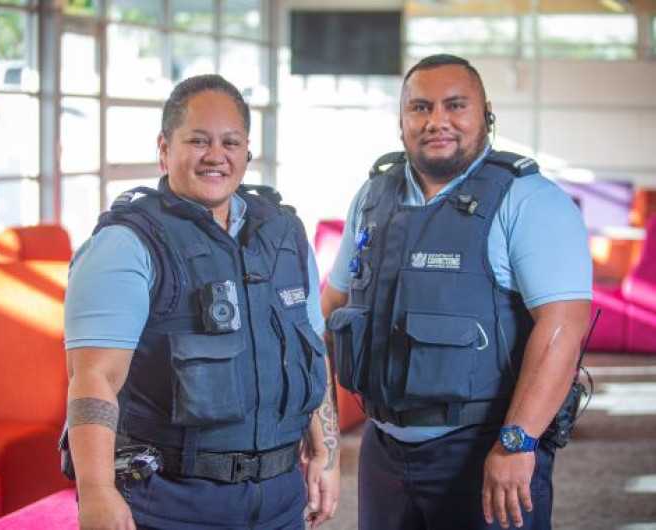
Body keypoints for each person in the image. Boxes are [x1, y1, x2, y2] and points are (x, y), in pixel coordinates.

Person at [321, 54, 592, 530]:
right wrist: (322, 441)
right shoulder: (371, 198)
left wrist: (517, 442)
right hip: (381, 449)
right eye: (421, 107)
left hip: (483, 447)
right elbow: (332, 307)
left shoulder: (528, 199)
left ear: (485, 114)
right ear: (401, 119)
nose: (437, 122)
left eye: (455, 106)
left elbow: (564, 326)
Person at [64, 74, 340, 530]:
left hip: (280, 498)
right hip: (172, 502)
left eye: (231, 142)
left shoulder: (285, 235)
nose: (216, 155)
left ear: (247, 151)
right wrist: (96, 492)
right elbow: (93, 378)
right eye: (198, 140)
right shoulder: (125, 243)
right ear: (164, 147)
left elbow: (311, 346)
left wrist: (326, 454)